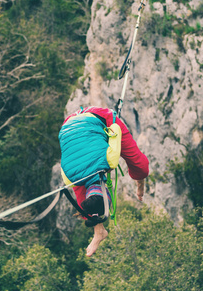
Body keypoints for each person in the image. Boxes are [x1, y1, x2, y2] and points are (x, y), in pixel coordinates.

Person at [59, 106, 149, 257]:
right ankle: (99, 231)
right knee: (82, 199)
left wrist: (107, 136)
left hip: (100, 117)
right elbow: (68, 164)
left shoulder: (110, 161)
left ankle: (140, 186)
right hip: (68, 128)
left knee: (140, 165)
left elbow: (114, 129)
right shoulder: (69, 178)